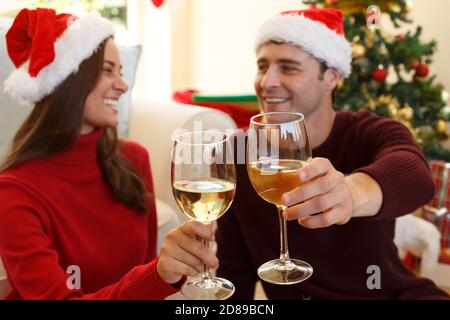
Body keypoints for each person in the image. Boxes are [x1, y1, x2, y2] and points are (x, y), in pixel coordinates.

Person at [216, 7, 449, 299]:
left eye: (288, 67)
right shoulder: (238, 155)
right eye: (263, 66)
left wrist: (352, 193)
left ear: (331, 78)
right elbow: (233, 277)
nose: (267, 82)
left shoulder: (368, 132)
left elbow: (416, 175)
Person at [0, 8, 218, 300]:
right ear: (68, 79)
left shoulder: (134, 159)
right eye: (107, 71)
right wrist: (157, 274)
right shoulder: (14, 192)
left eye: (121, 72)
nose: (123, 85)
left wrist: (161, 272)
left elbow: (143, 273)